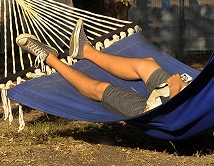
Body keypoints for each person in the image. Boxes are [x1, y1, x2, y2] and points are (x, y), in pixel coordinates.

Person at [15, 19, 191, 118]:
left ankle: (50, 58)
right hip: (181, 91)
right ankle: (85, 51)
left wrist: (175, 87)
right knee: (147, 63)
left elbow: (174, 116)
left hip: (158, 114)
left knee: (101, 89)